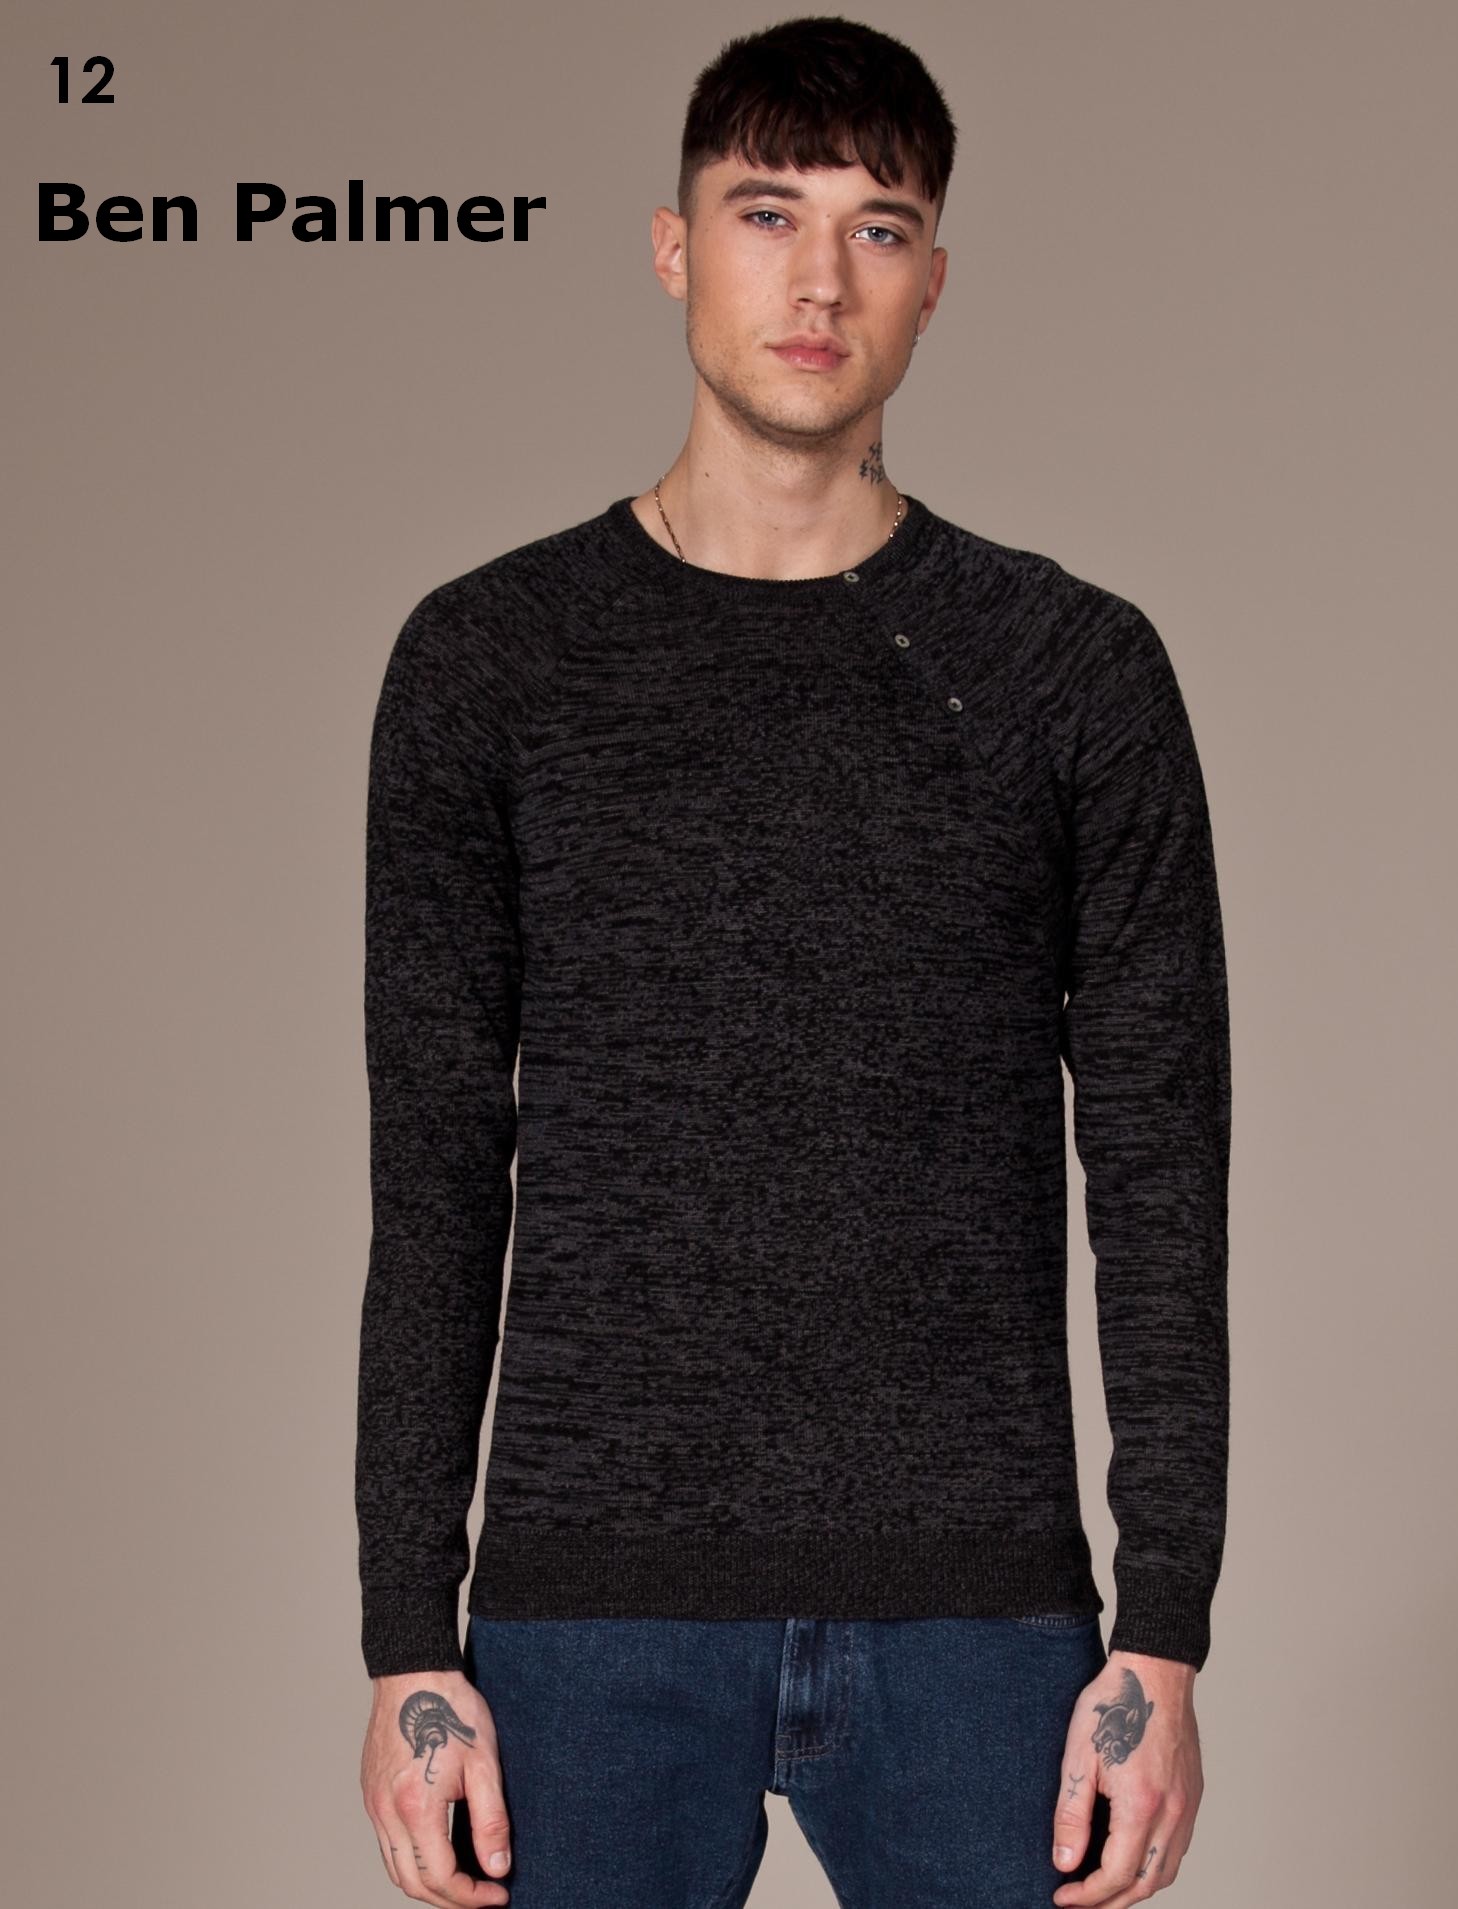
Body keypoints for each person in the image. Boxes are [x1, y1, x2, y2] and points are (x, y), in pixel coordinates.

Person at [355, 15, 1231, 1908]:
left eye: (877, 227)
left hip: (980, 1620)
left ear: (934, 281)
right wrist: (406, 1635)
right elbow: (434, 1169)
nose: (819, 279)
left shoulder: (1071, 671)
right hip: (587, 1624)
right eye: (767, 213)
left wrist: (1165, 1623)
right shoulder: (490, 665)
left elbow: (1161, 1166)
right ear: (674, 249)